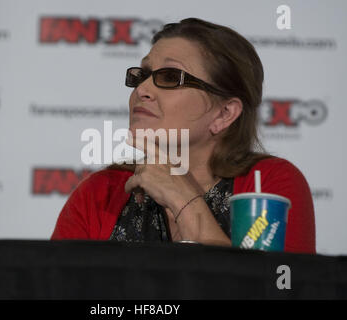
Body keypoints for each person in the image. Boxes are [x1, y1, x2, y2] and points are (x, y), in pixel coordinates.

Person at [51, 18, 316, 254]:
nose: (142, 89)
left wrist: (184, 201)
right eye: (142, 75)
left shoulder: (269, 183)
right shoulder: (100, 191)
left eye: (169, 77)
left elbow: (274, 290)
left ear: (224, 113)